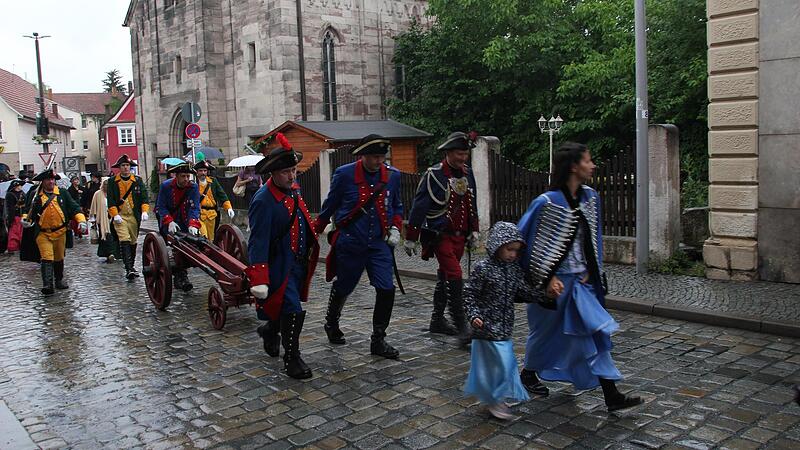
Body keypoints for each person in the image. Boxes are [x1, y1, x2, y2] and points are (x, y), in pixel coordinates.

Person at [517, 142, 642, 412]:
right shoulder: (546, 203)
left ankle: (611, 394)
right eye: (588, 160)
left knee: (595, 333)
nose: (593, 165)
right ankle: (528, 372)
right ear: (574, 166)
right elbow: (524, 241)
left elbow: (593, 239)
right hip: (552, 285)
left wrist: (591, 270)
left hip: (580, 284)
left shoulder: (590, 198)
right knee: (545, 334)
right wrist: (546, 278)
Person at [313, 134, 404, 359]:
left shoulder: (393, 176)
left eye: (382, 157)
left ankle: (378, 340)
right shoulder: (344, 174)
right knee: (344, 286)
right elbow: (330, 205)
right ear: (362, 155)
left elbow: (397, 206)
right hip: (351, 243)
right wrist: (315, 231)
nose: (378, 161)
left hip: (379, 245)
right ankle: (331, 322)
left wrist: (396, 227)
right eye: (374, 157)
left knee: (386, 289)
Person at [246, 133, 320, 379]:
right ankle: (292, 359)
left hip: (297, 262)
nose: (292, 176)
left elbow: (300, 220)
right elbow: (257, 241)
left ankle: (270, 330)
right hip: (278, 265)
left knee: (285, 307)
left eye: (294, 170)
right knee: (293, 310)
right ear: (273, 173)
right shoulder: (263, 200)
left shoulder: (293, 190)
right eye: (286, 172)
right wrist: (259, 278)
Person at [404, 131, 480, 348]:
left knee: (445, 275)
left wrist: (474, 230)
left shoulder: (468, 173)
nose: (462, 158)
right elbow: (420, 206)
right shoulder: (434, 175)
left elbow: (471, 204)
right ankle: (462, 326)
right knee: (455, 274)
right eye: (459, 154)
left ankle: (437, 320)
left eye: (465, 154)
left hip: (460, 236)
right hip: (440, 235)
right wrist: (411, 237)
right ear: (448, 152)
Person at [463, 222, 532, 420]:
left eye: (516, 251)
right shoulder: (483, 268)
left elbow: (522, 291)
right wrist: (474, 315)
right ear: (497, 245)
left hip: (504, 329)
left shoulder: (514, 270)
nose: (512, 254)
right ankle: (493, 400)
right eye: (509, 249)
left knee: (505, 366)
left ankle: (495, 398)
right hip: (485, 329)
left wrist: (546, 296)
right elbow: (469, 294)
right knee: (500, 366)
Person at [20, 169, 88, 295]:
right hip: (43, 232)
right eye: (48, 179)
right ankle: (47, 284)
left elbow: (74, 207)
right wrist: (25, 219)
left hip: (60, 231)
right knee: (47, 257)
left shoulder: (62, 193)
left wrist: (81, 220)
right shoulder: (35, 195)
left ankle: (59, 280)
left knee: (58, 257)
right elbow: (27, 210)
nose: (51, 182)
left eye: (52, 179)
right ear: (43, 181)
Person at [155, 162, 202, 292]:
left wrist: (193, 223)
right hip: (170, 220)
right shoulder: (166, 186)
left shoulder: (193, 187)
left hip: (185, 220)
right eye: (183, 176)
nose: (186, 179)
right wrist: (169, 221)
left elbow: (195, 207)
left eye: (188, 176)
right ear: (176, 176)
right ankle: (181, 275)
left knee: (189, 243)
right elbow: (161, 207)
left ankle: (181, 274)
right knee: (176, 243)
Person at [107, 155, 150, 280]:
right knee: (124, 239)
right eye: (123, 165)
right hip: (120, 216)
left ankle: (132, 265)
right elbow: (111, 200)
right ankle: (128, 268)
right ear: (119, 167)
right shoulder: (112, 181)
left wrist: (144, 211)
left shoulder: (137, 180)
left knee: (133, 241)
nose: (125, 167)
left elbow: (144, 197)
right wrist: (115, 214)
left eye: (127, 165)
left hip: (133, 216)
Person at [194, 160, 234, 242]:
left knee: (211, 238)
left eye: (205, 171)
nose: (203, 173)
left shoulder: (213, 181)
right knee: (203, 237)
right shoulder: (194, 183)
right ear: (197, 172)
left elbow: (222, 195)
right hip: (199, 214)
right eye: (201, 171)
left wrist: (229, 208)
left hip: (212, 214)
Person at [89, 179, 120, 263]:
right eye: (105, 185)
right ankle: (109, 253)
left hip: (113, 217)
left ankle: (114, 253)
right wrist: (93, 219)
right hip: (102, 218)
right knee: (106, 235)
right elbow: (93, 206)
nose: (106, 187)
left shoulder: (113, 193)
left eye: (108, 185)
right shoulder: (97, 194)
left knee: (114, 235)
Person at [4, 179, 27, 254]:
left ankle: (22, 247)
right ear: (15, 186)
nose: (20, 187)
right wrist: (10, 219)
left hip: (23, 216)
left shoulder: (22, 193)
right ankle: (13, 247)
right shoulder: (10, 194)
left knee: (22, 233)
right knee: (14, 233)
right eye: (19, 185)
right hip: (15, 217)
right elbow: (10, 208)